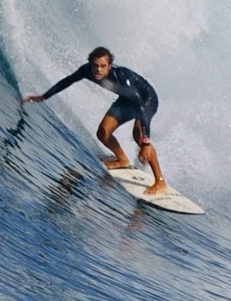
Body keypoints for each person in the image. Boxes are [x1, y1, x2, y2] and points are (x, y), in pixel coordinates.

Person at [21, 46, 167, 195]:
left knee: (139, 136)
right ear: (90, 64)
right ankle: (122, 160)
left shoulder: (122, 79)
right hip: (126, 99)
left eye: (103, 66)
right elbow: (67, 81)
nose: (98, 70)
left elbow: (140, 107)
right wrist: (43, 96)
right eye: (95, 66)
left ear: (109, 66)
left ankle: (160, 182)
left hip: (146, 99)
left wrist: (146, 142)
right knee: (103, 132)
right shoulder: (86, 71)